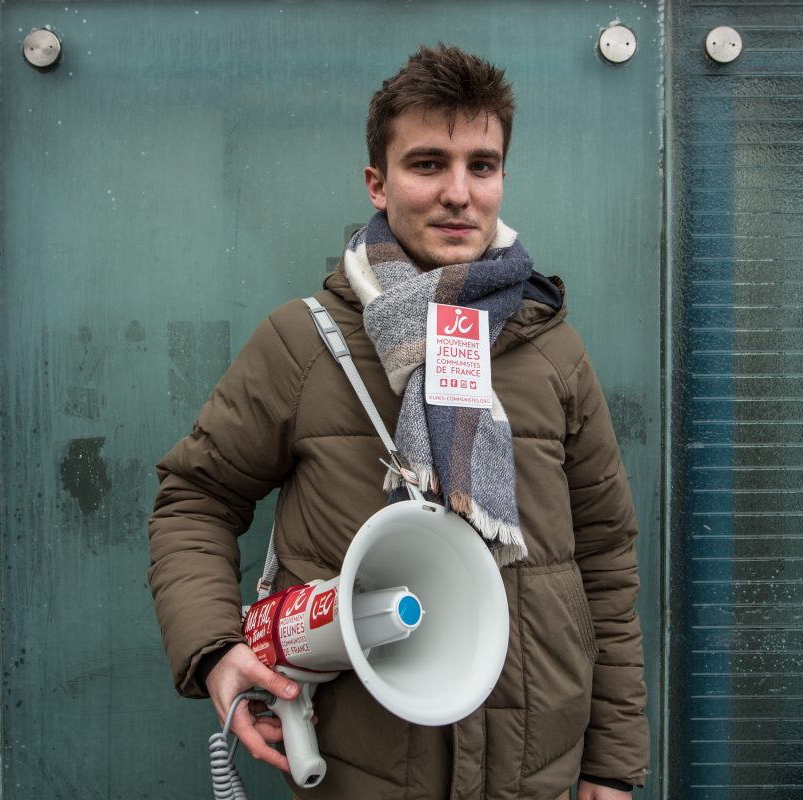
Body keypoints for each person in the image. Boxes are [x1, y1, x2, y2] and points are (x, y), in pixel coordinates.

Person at [148, 43, 648, 800]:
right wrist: (217, 653)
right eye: (427, 164)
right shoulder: (303, 343)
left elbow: (605, 563)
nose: (459, 192)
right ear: (377, 184)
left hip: (536, 769)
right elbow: (195, 500)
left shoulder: (552, 350)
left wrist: (611, 766)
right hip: (363, 764)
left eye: (482, 165)